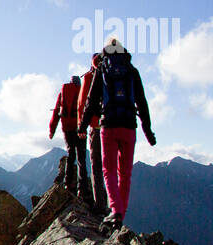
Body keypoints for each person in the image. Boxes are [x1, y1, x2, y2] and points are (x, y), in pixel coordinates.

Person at [80, 37, 156, 231]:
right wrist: (148, 132)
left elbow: (90, 101)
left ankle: (115, 211)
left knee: (109, 170)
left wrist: (82, 125)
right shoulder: (132, 71)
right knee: (125, 173)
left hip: (108, 126)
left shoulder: (101, 69)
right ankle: (120, 213)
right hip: (129, 126)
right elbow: (142, 102)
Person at [48, 73, 91, 201]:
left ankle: (68, 184)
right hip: (80, 128)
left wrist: (52, 130)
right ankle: (82, 188)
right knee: (82, 158)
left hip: (67, 128)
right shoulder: (83, 90)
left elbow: (56, 111)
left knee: (71, 154)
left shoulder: (64, 92)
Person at [76, 50, 109, 216]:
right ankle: (113, 206)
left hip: (96, 127)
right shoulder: (111, 74)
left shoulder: (89, 77)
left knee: (96, 166)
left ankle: (100, 205)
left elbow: (82, 104)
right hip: (111, 126)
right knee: (109, 167)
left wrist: (81, 126)